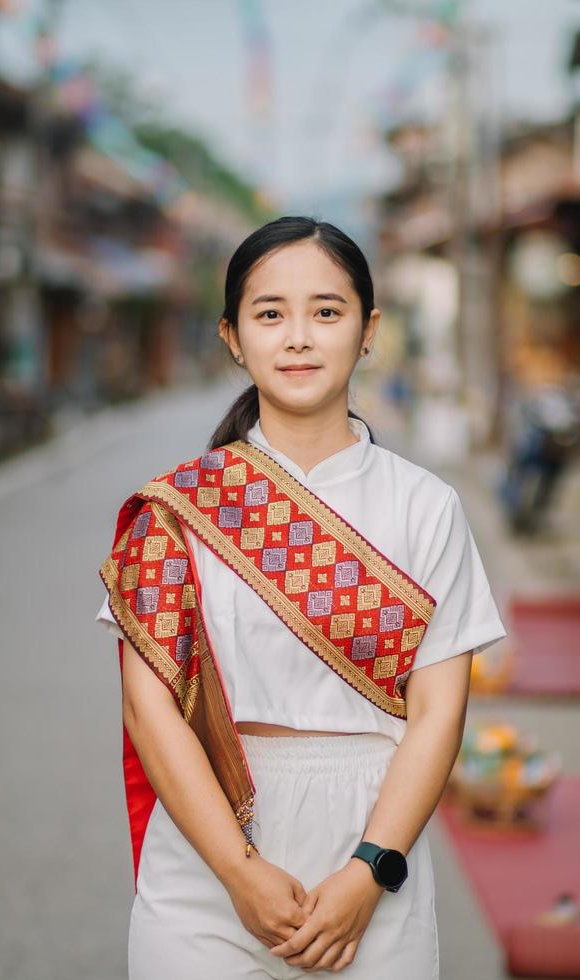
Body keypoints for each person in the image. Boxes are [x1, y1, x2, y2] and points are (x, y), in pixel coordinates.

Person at [95, 216, 507, 979]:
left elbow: (439, 713)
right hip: (208, 844)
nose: (298, 338)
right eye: (270, 313)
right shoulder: (175, 511)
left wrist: (368, 871)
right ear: (231, 335)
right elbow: (148, 710)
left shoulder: (426, 507)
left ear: (368, 328)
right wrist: (238, 872)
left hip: (374, 836)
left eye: (326, 311)